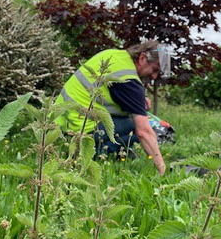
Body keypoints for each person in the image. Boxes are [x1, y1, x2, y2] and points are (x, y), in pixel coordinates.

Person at [55, 40, 170, 175]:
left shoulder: (116, 56)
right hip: (81, 130)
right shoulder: (129, 80)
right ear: (142, 58)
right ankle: (98, 153)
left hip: (60, 124)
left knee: (137, 123)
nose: (154, 76)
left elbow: (111, 95)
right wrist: (162, 168)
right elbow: (143, 131)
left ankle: (111, 151)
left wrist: (139, 102)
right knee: (145, 126)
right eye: (155, 70)